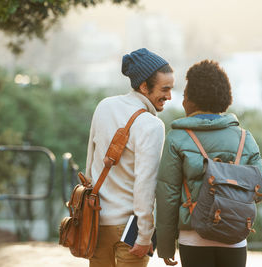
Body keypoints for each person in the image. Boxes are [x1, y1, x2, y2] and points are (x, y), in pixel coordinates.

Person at [155, 60, 262, 267]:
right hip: (234, 236)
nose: (182, 102)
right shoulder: (244, 137)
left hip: (193, 237)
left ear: (191, 101)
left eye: (184, 96)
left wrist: (165, 246)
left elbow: (167, 196)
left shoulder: (176, 138)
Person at [85, 48, 174, 267]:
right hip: (129, 230)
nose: (169, 96)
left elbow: (90, 168)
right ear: (144, 86)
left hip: (96, 223)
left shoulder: (103, 106)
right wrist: (145, 235)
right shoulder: (152, 125)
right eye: (165, 89)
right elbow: (145, 183)